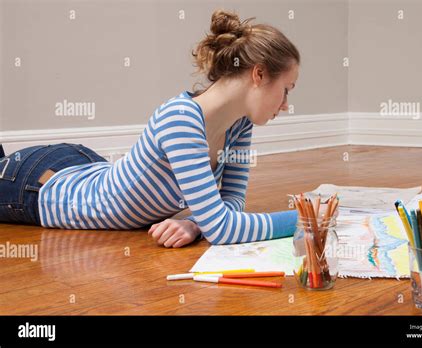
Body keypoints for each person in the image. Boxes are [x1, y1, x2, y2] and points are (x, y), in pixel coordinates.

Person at [0, 9, 300, 248]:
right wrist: (306, 220)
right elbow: (221, 229)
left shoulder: (240, 124)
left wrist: (196, 223)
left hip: (86, 165)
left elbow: (231, 203)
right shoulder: (182, 119)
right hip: (40, 186)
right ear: (258, 74)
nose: (286, 104)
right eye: (286, 89)